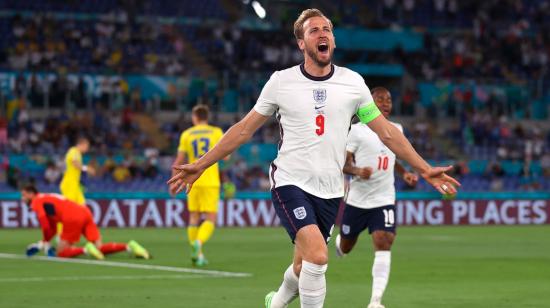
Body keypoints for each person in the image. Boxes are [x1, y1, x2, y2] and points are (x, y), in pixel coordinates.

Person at [168, 9, 459, 308]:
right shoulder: (281, 82)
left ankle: (275, 302)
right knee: (318, 258)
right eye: (314, 30)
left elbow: (387, 133)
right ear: (301, 43)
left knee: (302, 266)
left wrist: (424, 168)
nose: (322, 34)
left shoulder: (353, 83)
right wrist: (201, 164)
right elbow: (243, 130)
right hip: (290, 182)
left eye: (327, 29)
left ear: (332, 39)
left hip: (331, 190)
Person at [335, 87, 419, 308]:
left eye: (389, 99)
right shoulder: (357, 130)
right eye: (380, 99)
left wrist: (405, 173)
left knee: (384, 241)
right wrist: (357, 171)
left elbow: (392, 157)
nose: (386, 103)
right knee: (346, 247)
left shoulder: (396, 129)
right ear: (369, 104)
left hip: (384, 199)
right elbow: (343, 164)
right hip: (357, 201)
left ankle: (375, 301)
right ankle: (340, 243)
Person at [21, 185, 150, 260]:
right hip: (84, 211)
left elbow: (44, 225)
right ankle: (129, 246)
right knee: (99, 248)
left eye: (24, 195)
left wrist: (44, 242)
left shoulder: (37, 201)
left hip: (71, 217)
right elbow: (52, 228)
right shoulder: (47, 198)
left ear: (32, 194)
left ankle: (85, 249)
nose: (23, 199)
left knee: (61, 253)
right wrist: (44, 241)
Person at [170, 104, 224, 266]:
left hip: (191, 180)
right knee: (210, 218)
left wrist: (174, 181)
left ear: (195, 117)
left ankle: (197, 254)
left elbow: (179, 161)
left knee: (193, 217)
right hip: (210, 180)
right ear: (207, 117)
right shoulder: (216, 132)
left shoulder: (186, 134)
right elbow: (226, 156)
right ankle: (198, 243)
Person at [60, 137, 95, 206]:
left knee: (82, 206)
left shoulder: (78, 154)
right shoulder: (74, 151)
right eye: (87, 146)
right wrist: (87, 169)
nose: (87, 149)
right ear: (82, 144)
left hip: (76, 185)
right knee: (70, 207)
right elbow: (75, 163)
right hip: (70, 184)